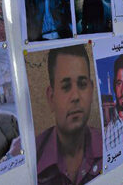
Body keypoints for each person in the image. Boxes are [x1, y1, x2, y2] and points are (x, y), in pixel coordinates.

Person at [34, 45, 102, 184]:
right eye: (66, 87)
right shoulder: (34, 158)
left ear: (91, 90)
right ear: (51, 97)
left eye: (82, 84)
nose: (75, 96)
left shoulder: (108, 143)